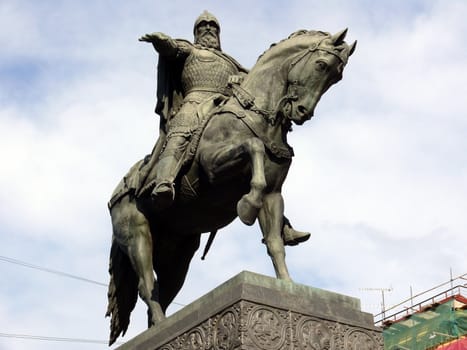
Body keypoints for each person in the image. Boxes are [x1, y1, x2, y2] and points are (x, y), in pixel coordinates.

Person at [139, 11, 310, 246]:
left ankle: (280, 224)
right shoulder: (191, 50)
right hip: (195, 103)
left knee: (261, 148)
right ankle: (164, 182)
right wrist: (162, 42)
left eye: (213, 26)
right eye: (203, 26)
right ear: (196, 32)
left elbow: (256, 84)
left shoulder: (231, 62)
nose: (208, 29)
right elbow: (173, 49)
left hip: (225, 108)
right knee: (181, 129)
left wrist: (239, 81)